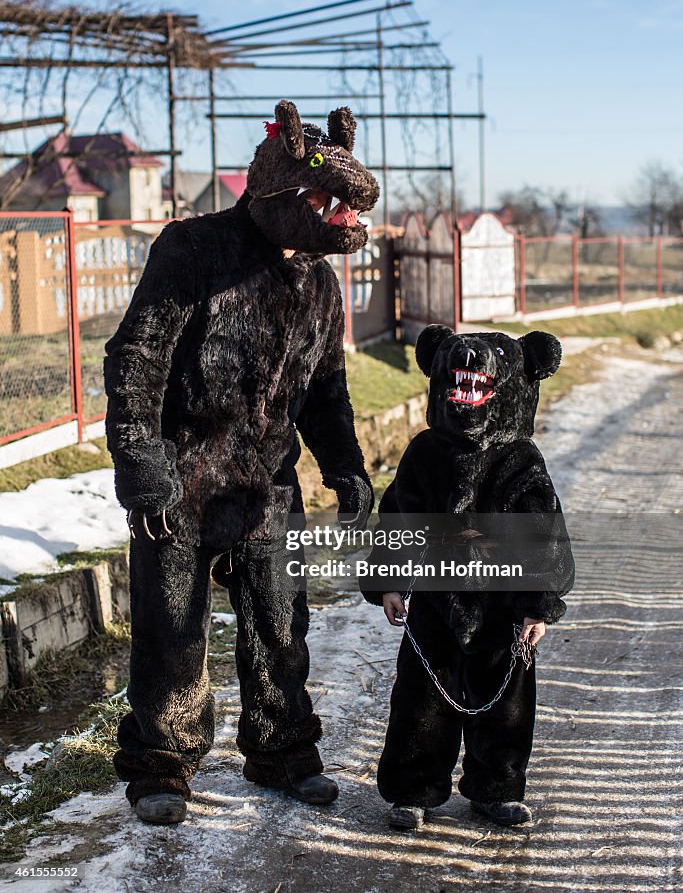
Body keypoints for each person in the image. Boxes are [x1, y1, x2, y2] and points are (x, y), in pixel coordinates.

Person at [104, 101, 379, 824]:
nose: (336, 214)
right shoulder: (191, 249)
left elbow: (326, 388)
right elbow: (136, 358)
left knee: (279, 629)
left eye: (340, 202)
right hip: (181, 479)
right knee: (171, 632)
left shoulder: (320, 282)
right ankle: (161, 764)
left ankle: (283, 752)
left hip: (266, 484)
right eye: (322, 198)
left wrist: (344, 465)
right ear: (277, 192)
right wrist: (140, 463)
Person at [360, 325, 574, 831]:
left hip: (502, 609)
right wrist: (390, 581)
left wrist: (537, 604)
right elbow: (400, 520)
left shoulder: (521, 460)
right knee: (419, 702)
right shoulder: (424, 455)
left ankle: (495, 790)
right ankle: (413, 790)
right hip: (434, 604)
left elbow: (543, 535)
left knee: (505, 708)